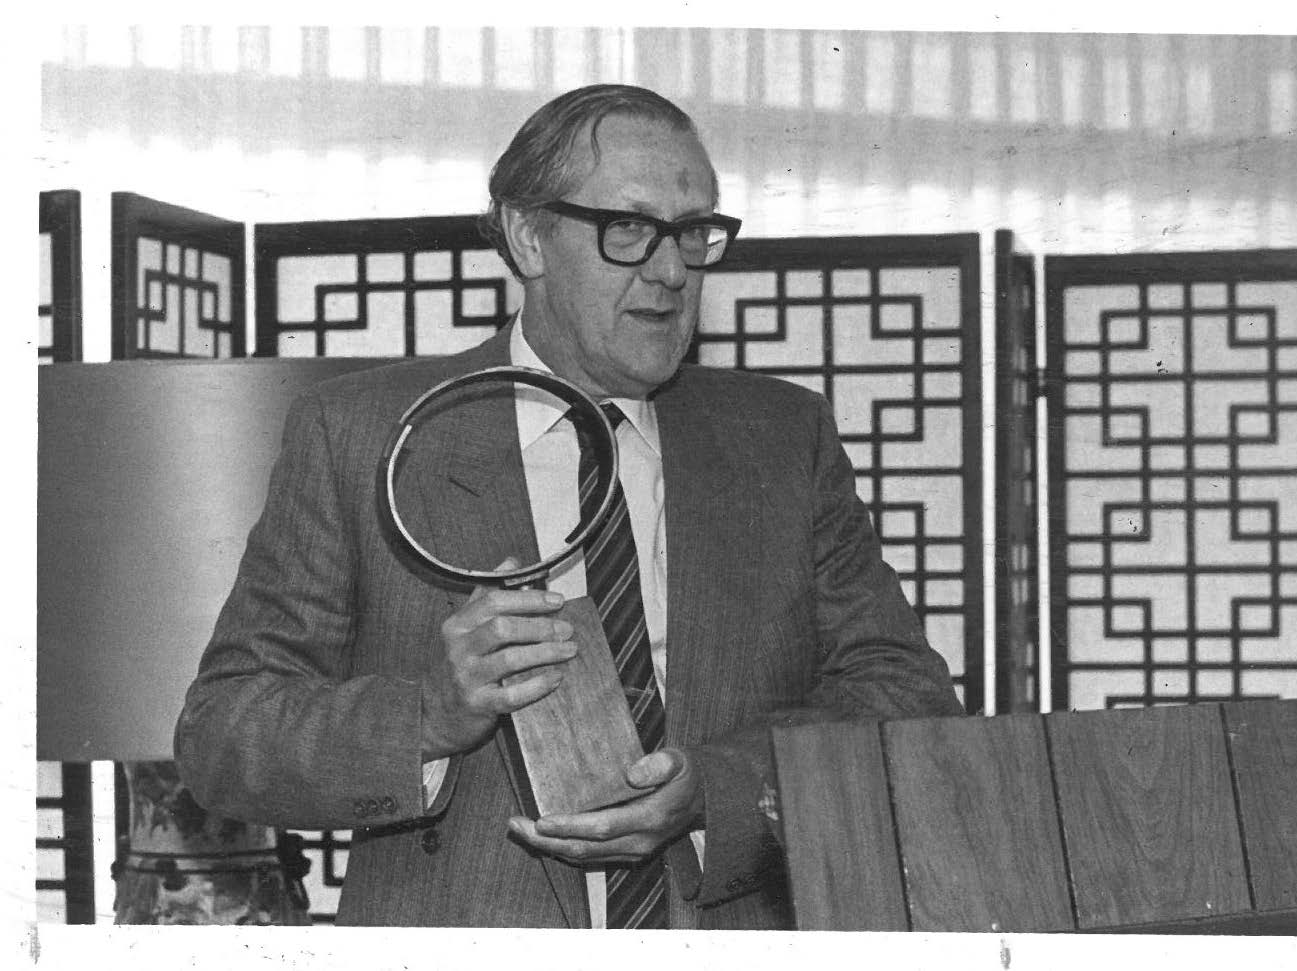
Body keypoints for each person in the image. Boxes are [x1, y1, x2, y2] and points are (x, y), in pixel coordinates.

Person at [175, 83, 962, 930]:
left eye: (694, 231)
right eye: (627, 228)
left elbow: (906, 695)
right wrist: (430, 714)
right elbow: (223, 734)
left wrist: (719, 788)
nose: (671, 270)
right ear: (528, 235)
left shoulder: (780, 437)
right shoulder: (365, 432)